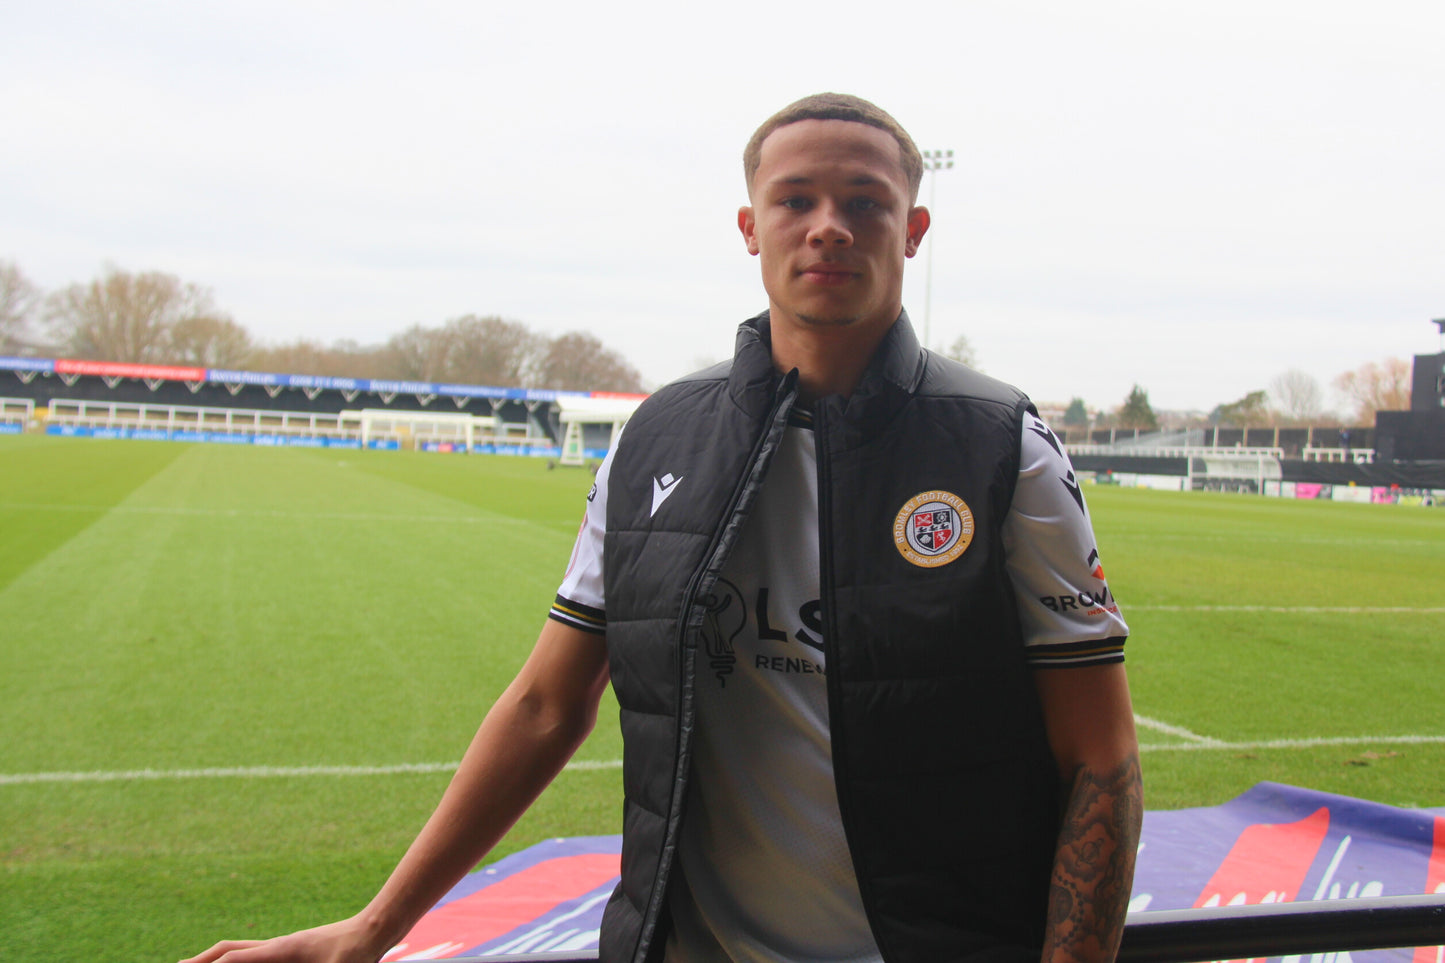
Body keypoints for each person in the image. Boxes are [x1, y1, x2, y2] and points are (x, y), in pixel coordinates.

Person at [183, 93, 1141, 963]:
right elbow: (543, 705)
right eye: (794, 199)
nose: (828, 228)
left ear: (914, 228)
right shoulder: (653, 438)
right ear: (748, 226)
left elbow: (1099, 757)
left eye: (864, 202)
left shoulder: (998, 444)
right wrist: (370, 930)